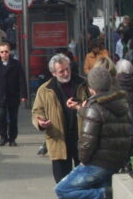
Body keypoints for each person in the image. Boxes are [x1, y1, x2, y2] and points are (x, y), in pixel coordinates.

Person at [54, 65, 131, 199]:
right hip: (116, 161)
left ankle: (105, 194)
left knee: (62, 189)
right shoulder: (120, 104)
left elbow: (87, 141)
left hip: (97, 163)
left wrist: (83, 160)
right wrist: (81, 109)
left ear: (91, 88)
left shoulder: (95, 107)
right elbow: (104, 117)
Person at [32, 53, 90, 183]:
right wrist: (40, 122)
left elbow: (94, 106)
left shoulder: (83, 84)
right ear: (53, 73)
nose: (65, 73)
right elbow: (37, 111)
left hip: (82, 139)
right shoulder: (45, 90)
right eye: (61, 71)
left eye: (67, 69)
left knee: (84, 181)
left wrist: (81, 107)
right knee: (62, 182)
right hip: (58, 139)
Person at [0, 42, 26, 146]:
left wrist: (23, 95)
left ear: (9, 52)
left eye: (6, 51)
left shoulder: (16, 64)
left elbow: (21, 80)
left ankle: (12, 138)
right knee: (1, 117)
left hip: (13, 95)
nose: (4, 54)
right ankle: (3, 137)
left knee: (13, 118)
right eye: (2, 52)